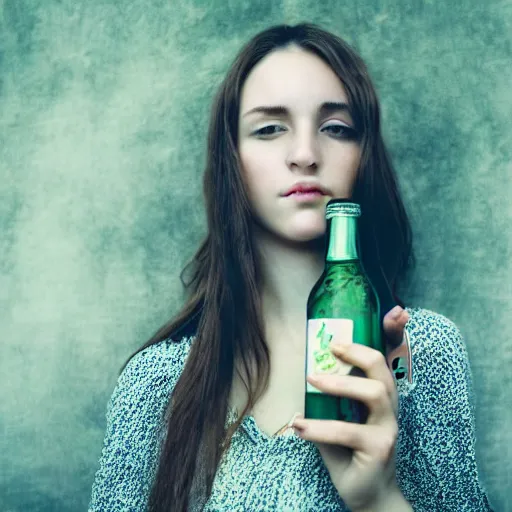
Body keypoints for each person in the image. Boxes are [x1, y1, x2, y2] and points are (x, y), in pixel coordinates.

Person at [88, 23, 493, 511]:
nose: (305, 154)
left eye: (336, 129)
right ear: (230, 160)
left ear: (365, 157)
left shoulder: (422, 356)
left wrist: (378, 497)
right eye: (270, 128)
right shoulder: (155, 385)